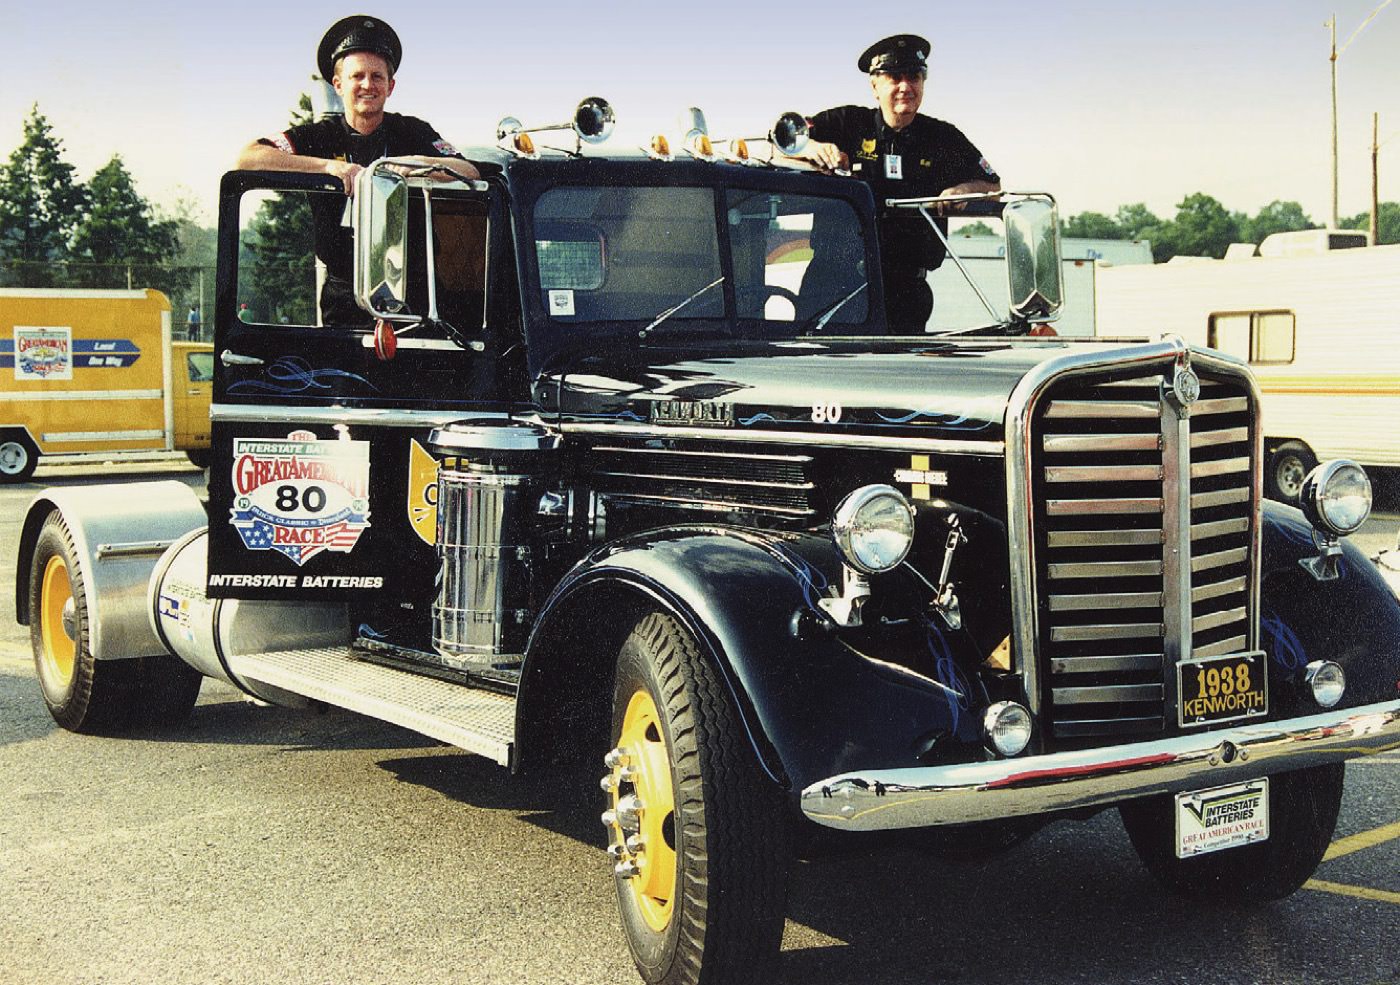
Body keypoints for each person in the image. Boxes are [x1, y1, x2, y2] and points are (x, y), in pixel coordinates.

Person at [235, 15, 482, 326]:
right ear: (338, 85)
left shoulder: (413, 132)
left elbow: (468, 170)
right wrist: (328, 167)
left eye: (377, 76)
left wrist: (415, 165)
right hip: (345, 299)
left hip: (417, 294)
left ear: (391, 86)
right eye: (357, 76)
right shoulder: (318, 137)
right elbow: (249, 157)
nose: (368, 85)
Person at [801, 34, 1001, 332]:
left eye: (914, 77)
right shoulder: (845, 124)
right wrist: (810, 149)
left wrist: (963, 190)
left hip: (905, 293)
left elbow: (992, 186)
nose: (905, 87)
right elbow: (777, 142)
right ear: (875, 86)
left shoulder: (943, 138)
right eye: (895, 78)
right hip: (832, 286)